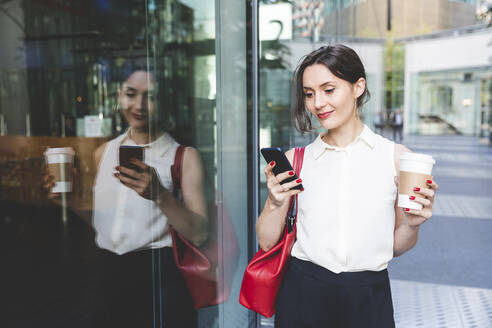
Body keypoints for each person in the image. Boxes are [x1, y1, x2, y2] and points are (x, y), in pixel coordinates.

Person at [256, 45, 439, 328]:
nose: (317, 103)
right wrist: (275, 202)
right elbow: (267, 242)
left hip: (369, 297)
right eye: (309, 93)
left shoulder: (396, 158)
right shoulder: (297, 161)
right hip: (303, 294)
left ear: (358, 87)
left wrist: (412, 225)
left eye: (328, 90)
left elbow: (395, 246)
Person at [44, 67, 207, 328]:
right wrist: (70, 201)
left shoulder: (183, 157)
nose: (139, 105)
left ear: (163, 101)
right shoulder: (104, 152)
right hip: (106, 274)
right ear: (119, 96)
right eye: (131, 94)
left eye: (150, 96)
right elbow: (105, 224)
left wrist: (160, 196)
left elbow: (199, 234)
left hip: (157, 277)